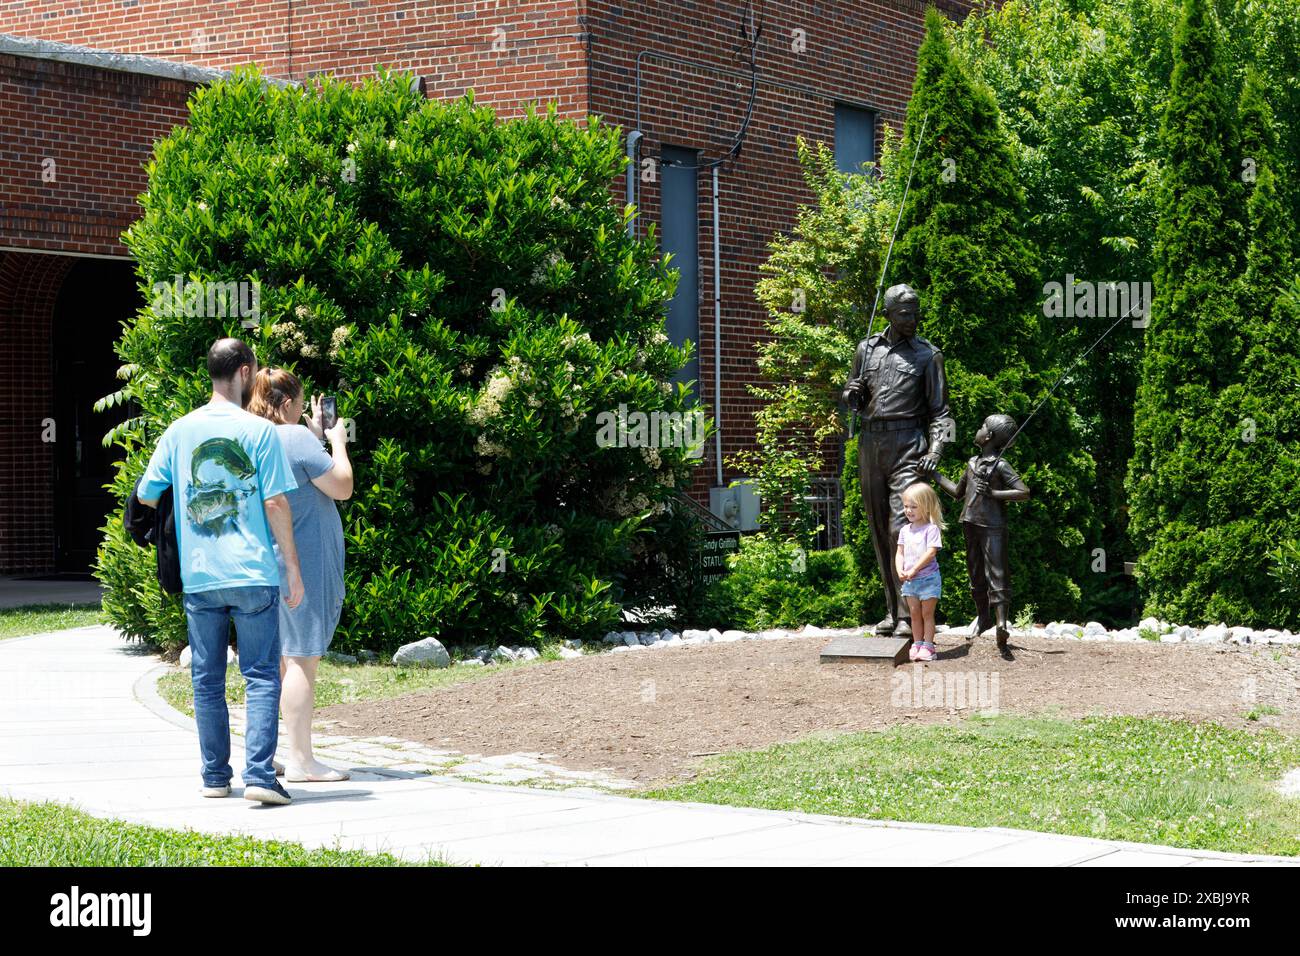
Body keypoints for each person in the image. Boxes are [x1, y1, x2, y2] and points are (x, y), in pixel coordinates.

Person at [137, 338, 304, 805]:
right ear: (246, 373)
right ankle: (258, 776)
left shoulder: (178, 430)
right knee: (261, 675)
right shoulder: (260, 432)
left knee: (207, 678)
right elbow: (274, 501)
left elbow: (148, 493)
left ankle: (215, 777)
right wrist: (292, 566)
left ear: (211, 373)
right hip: (253, 572)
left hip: (200, 574)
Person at [248, 367, 354, 782]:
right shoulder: (292, 438)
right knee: (301, 660)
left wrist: (311, 436)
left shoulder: (253, 436)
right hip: (302, 564)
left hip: (264, 564)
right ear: (288, 403)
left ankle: (266, 754)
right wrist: (337, 443)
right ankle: (302, 760)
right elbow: (341, 486)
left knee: (274, 661)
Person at [843, 284, 955, 639]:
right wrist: (851, 394)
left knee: (900, 528)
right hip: (871, 442)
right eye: (905, 313)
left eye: (916, 312)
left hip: (909, 442)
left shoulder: (928, 355)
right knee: (879, 528)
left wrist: (936, 449)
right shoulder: (866, 349)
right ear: (888, 313)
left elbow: (942, 412)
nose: (913, 319)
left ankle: (908, 616)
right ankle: (893, 613)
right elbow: (850, 397)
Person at [931, 413, 1031, 651]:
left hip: (993, 524)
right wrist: (933, 475)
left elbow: (1024, 491)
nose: (978, 429)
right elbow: (957, 492)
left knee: (997, 570)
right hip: (970, 521)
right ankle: (983, 617)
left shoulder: (1001, 464)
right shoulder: (972, 462)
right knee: (975, 573)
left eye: (982, 426)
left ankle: (1001, 622)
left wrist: (994, 494)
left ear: (989, 436)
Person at [897, 482, 944, 662]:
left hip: (928, 579)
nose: (908, 510)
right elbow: (899, 552)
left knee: (927, 614)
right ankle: (917, 644)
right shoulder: (904, 530)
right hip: (910, 581)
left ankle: (929, 647)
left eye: (913, 506)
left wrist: (915, 569)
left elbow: (931, 553)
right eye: (906, 506)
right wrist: (899, 569)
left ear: (926, 506)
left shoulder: (931, 529)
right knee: (914, 614)